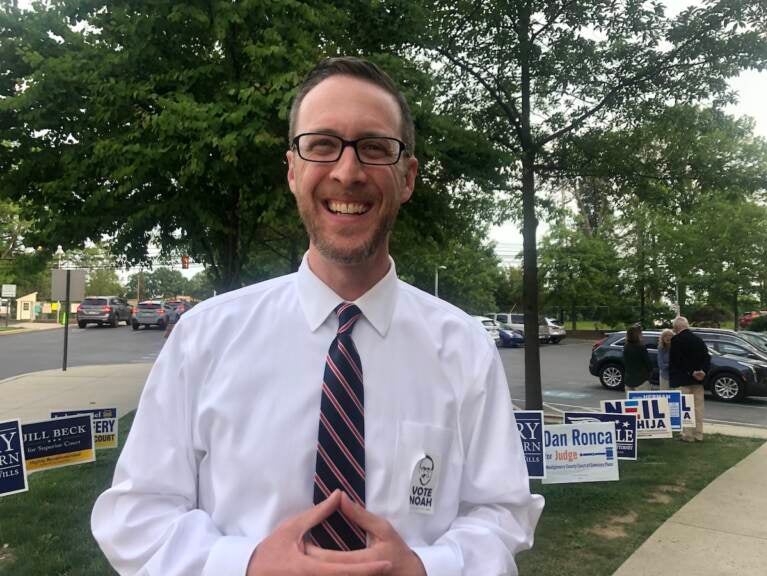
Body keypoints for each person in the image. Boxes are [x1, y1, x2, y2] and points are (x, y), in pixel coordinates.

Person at [91, 57, 543, 576]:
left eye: (375, 148)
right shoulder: (205, 339)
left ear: (408, 177)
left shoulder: (464, 349)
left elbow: (502, 512)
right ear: (292, 170)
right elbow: (136, 515)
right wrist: (247, 565)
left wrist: (425, 568)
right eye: (322, 145)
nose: (347, 173)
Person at [669, 316, 710, 442]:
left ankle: (688, 435)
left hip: (684, 379)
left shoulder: (676, 340)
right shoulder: (698, 339)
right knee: (698, 407)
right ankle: (699, 434)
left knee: (686, 408)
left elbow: (677, 361)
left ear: (676, 327)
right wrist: (702, 371)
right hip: (698, 380)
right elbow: (707, 358)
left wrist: (691, 372)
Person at [623, 324, 653, 393]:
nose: (642, 335)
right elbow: (648, 363)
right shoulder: (641, 347)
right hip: (641, 380)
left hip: (628, 380)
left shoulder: (626, 347)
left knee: (631, 403)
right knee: (643, 402)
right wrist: (649, 375)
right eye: (641, 333)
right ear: (637, 335)